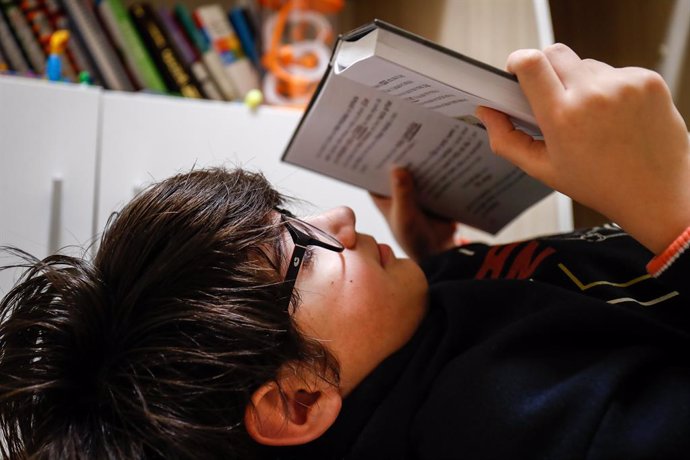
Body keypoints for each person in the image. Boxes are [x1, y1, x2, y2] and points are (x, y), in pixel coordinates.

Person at [1, 43, 689, 459]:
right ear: (296, 403)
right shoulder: (535, 433)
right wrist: (672, 205)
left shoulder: (393, 348)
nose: (340, 217)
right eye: (300, 252)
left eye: (291, 217)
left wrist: (445, 262)